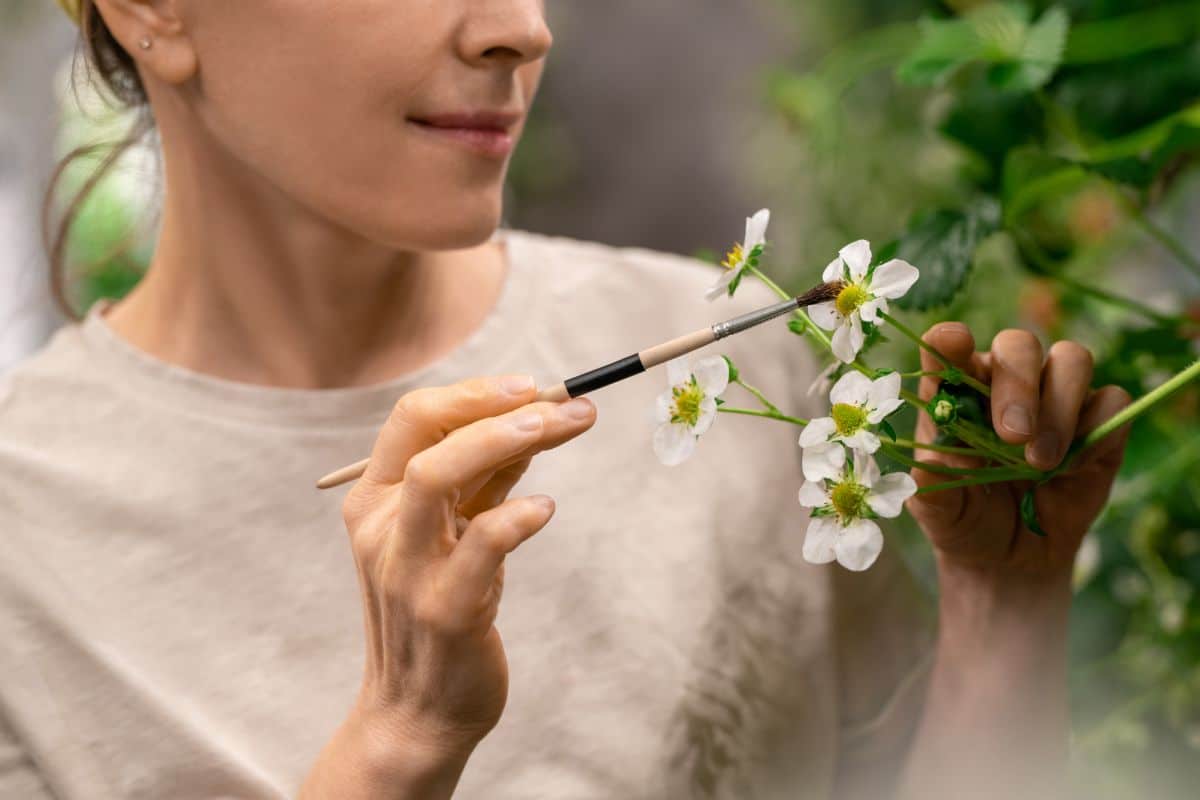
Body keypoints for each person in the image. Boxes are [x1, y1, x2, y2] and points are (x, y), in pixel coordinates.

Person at [0, 1, 1133, 799]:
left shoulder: (739, 364)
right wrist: (400, 745)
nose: (522, 27)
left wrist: (1004, 605)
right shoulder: (24, 530)